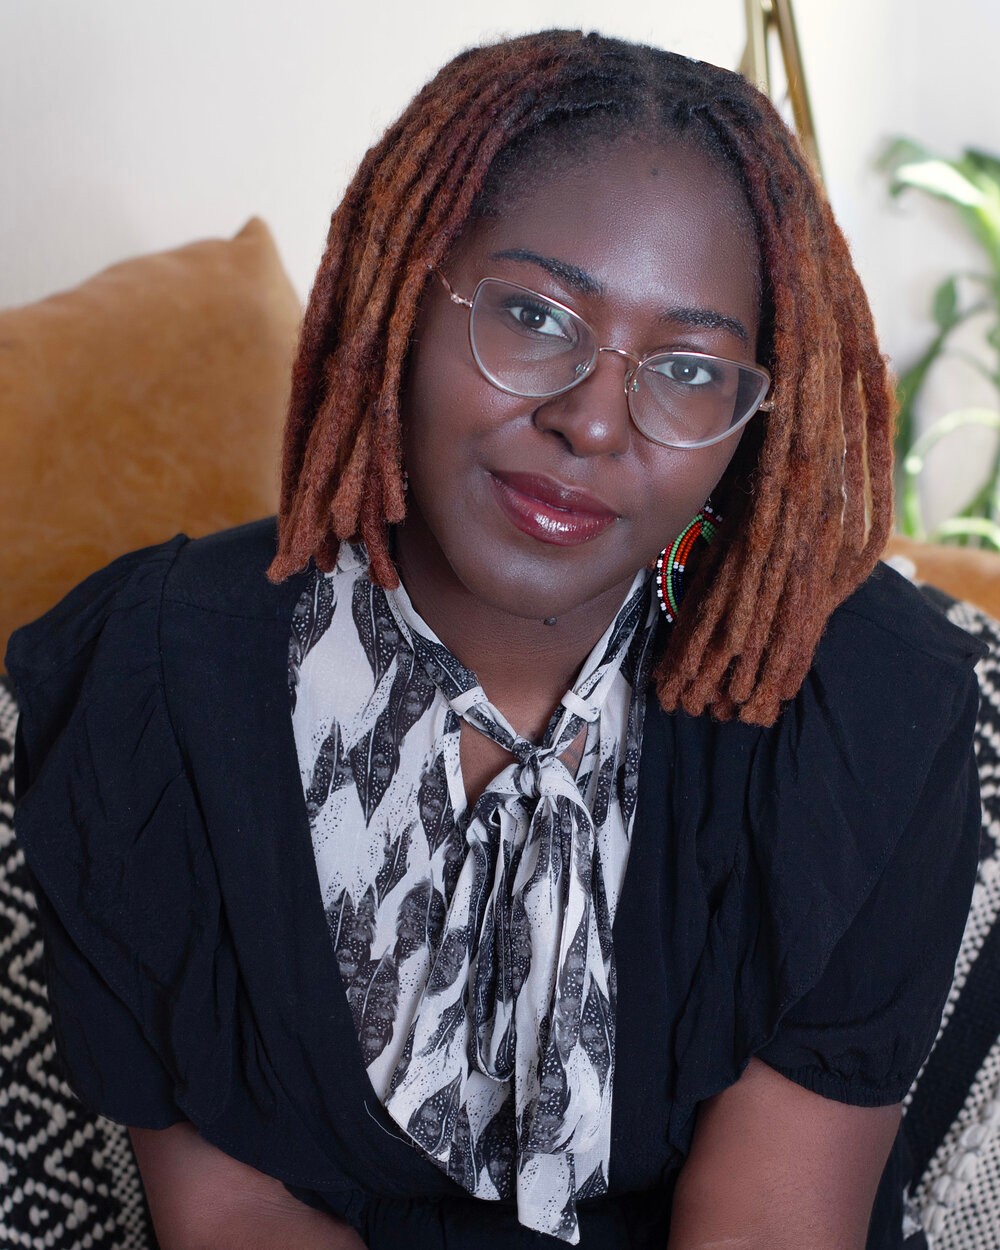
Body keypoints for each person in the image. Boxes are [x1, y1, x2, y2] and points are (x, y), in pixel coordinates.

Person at [6, 28, 985, 1250]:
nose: (592, 420)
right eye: (532, 313)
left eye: (688, 369)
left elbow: (770, 1226)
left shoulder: (866, 703)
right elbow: (232, 1214)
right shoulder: (148, 687)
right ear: (399, 297)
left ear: (752, 422)